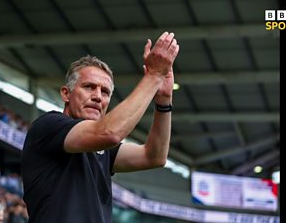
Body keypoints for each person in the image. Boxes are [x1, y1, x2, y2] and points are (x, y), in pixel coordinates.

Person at [21, 31, 180, 223]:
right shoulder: (49, 126)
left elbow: (154, 157)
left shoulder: (102, 149)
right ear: (66, 94)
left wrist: (164, 99)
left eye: (105, 92)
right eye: (89, 87)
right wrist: (154, 75)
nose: (98, 96)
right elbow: (109, 133)